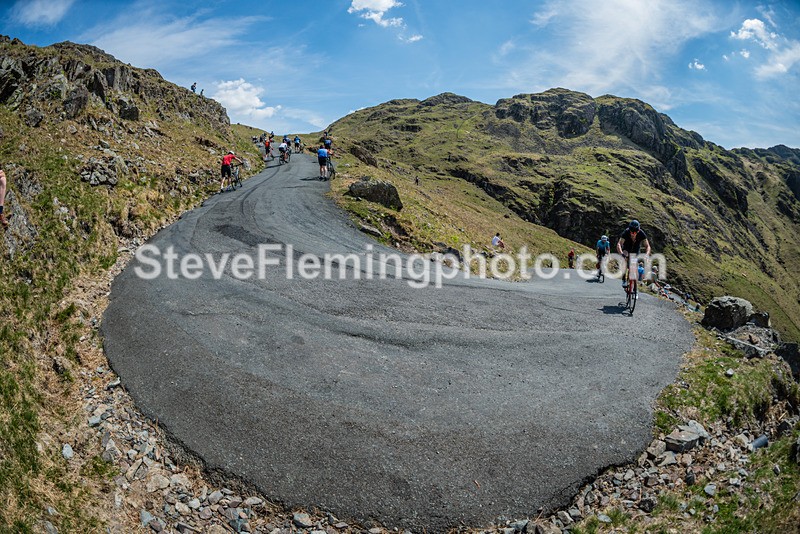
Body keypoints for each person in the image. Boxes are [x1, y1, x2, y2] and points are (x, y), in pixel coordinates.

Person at [616, 219, 651, 289]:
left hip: (636, 250)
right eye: (632, 232)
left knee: (635, 268)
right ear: (629, 230)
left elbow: (647, 246)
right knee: (624, 260)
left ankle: (635, 288)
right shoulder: (626, 232)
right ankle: (624, 279)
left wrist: (647, 255)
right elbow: (619, 244)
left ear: (638, 231)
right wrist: (621, 253)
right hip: (626, 249)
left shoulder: (641, 233)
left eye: (635, 232)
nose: (633, 233)